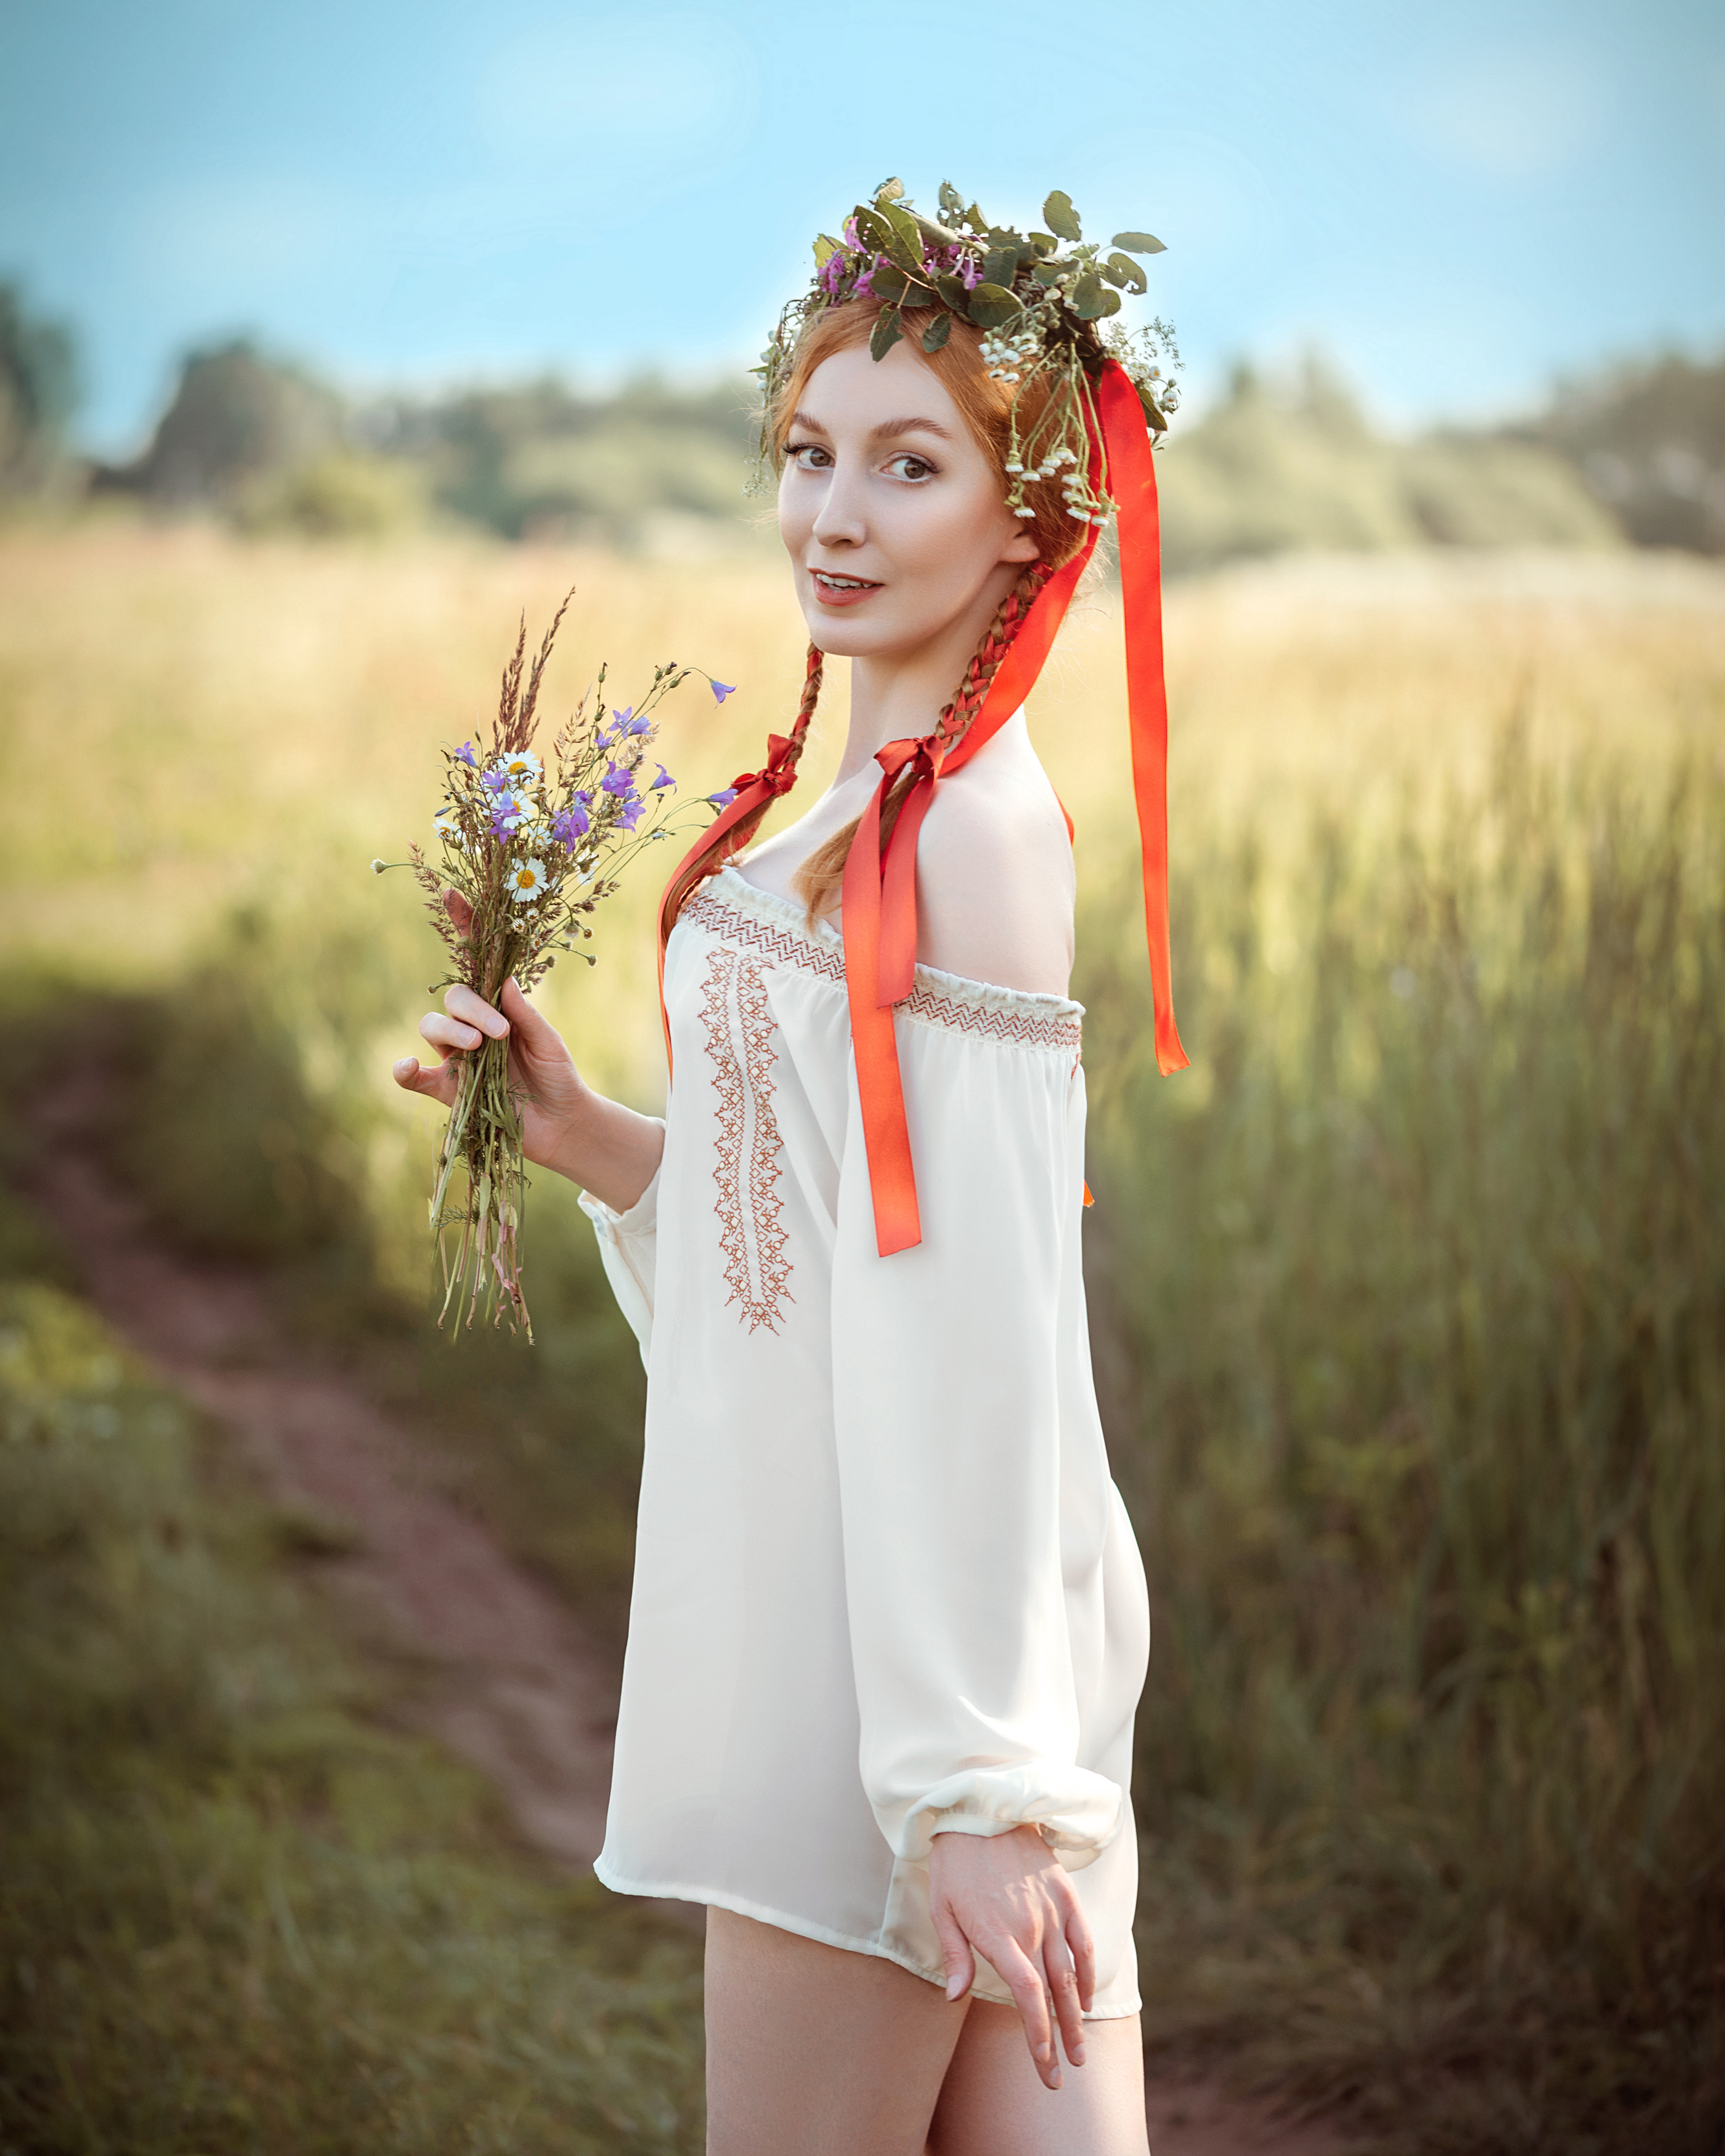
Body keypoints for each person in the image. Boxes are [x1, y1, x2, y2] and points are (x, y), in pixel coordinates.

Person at [392, 184, 1185, 2156]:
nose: (834, 513)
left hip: (902, 1688)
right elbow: (812, 1244)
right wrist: (601, 1144)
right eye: (811, 454)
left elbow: (971, 1327)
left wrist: (974, 1786)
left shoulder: (975, 842)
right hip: (916, 1647)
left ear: (1033, 510)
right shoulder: (843, 805)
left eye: (909, 465)